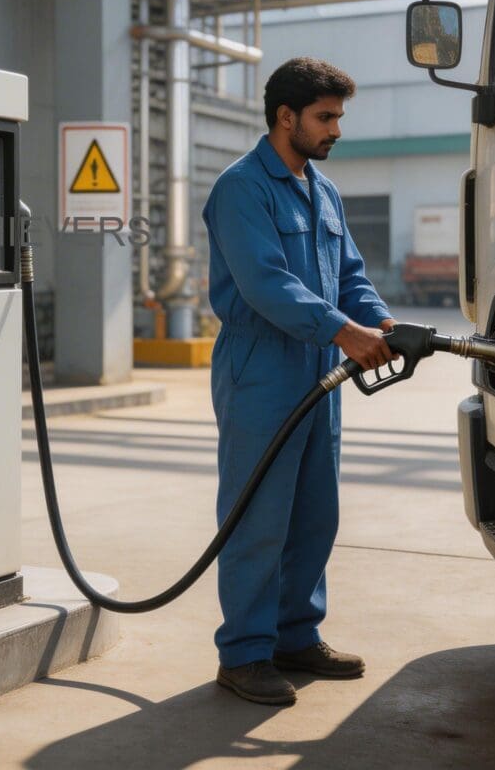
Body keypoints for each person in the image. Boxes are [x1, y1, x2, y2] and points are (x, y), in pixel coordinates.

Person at [202, 56, 395, 706]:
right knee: (258, 517)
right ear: (286, 116)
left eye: (338, 116)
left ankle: (294, 636)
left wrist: (377, 319)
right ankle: (246, 653)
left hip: (321, 367)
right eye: (326, 116)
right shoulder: (241, 188)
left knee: (314, 514)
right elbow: (265, 284)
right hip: (261, 366)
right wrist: (346, 332)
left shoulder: (322, 189)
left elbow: (350, 274)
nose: (336, 128)